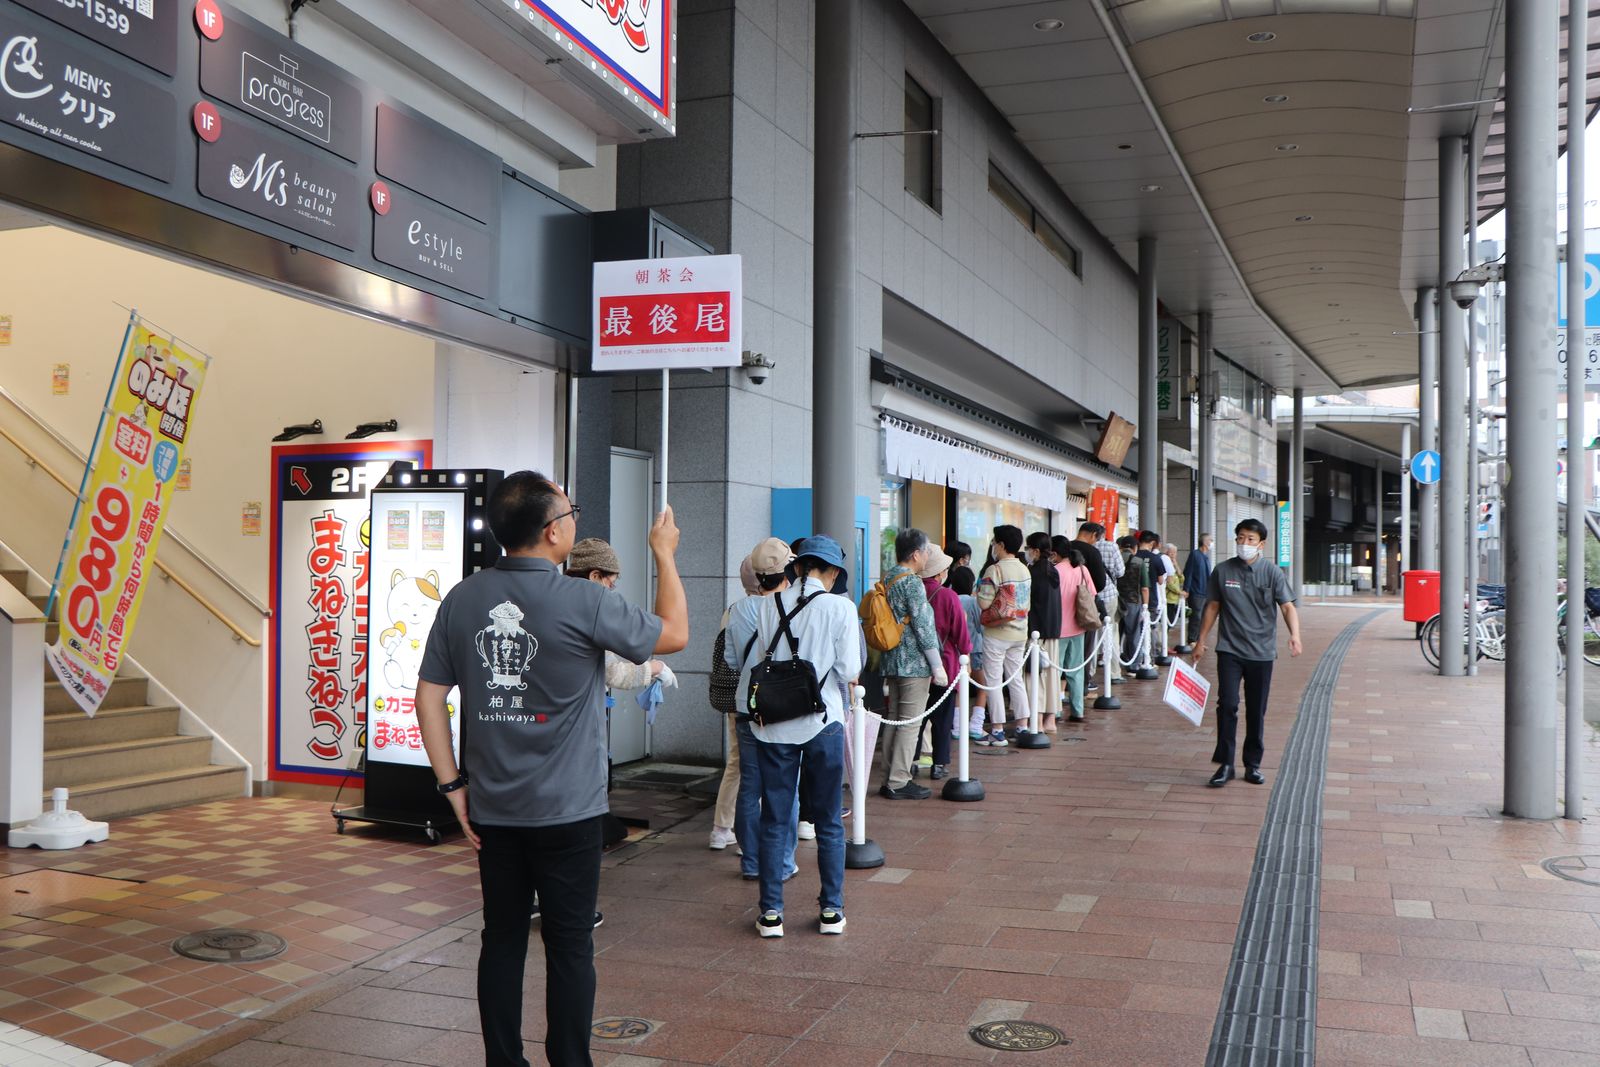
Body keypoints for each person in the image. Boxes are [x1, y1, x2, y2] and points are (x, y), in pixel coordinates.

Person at [415, 471, 688, 1067]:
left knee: (502, 941)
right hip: (572, 812)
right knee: (569, 947)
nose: (575, 519)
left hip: (493, 811)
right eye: (571, 510)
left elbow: (428, 697)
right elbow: (675, 634)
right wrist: (663, 555)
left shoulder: (463, 598)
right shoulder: (586, 599)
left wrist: (453, 788)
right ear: (551, 530)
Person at [726, 535, 860, 939]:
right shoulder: (841, 607)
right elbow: (849, 667)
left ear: (797, 567)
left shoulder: (768, 606)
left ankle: (770, 914)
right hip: (823, 723)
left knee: (775, 818)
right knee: (829, 822)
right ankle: (831, 912)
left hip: (773, 726)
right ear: (833, 572)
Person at [1192, 518, 1303, 788]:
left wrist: (1295, 636)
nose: (1245, 543)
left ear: (1261, 544)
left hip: (1262, 653)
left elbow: (1287, 607)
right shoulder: (1222, 570)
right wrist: (1200, 640)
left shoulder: (1272, 572)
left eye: (1251, 539)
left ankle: (1252, 764)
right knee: (1227, 705)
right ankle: (1226, 764)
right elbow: (1212, 607)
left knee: (1256, 710)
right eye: (1240, 538)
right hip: (1229, 649)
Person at [725, 539, 802, 881]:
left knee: (750, 786)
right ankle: (783, 862)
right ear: (787, 571)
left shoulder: (738, 609)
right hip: (783, 707)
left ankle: (752, 862)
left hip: (746, 703)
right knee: (786, 785)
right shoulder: (795, 605)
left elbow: (732, 661)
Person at [874, 528, 946, 800]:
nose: (928, 555)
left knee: (894, 720)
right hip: (913, 664)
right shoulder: (913, 583)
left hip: (891, 659)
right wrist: (936, 665)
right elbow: (923, 626)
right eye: (927, 551)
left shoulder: (889, 576)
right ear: (916, 554)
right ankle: (899, 780)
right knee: (910, 723)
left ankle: (888, 777)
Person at [709, 557, 763, 851]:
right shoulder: (772, 608)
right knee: (762, 765)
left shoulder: (732, 611)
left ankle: (721, 829)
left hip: (736, 696)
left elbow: (728, 657)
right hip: (766, 699)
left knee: (737, 761)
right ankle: (747, 835)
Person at [975, 525, 1032, 745]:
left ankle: (997, 730)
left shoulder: (995, 570)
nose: (993, 546)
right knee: (1015, 679)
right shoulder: (1024, 569)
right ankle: (1022, 725)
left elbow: (983, 602)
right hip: (1020, 633)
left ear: (1001, 545)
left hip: (997, 633)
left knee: (994, 681)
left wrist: (980, 588)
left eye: (994, 542)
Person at [919, 544, 970, 779]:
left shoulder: (913, 591)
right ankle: (939, 763)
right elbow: (961, 634)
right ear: (939, 572)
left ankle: (911, 758)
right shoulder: (948, 596)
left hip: (915, 667)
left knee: (916, 718)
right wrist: (966, 652)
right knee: (942, 717)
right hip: (945, 665)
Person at [1025, 531, 1062, 732]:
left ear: (1036, 550)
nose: (1027, 552)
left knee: (1035, 678)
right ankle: (1050, 720)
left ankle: (1037, 723)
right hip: (1053, 631)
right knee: (1050, 677)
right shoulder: (1053, 570)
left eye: (1028, 548)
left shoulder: (1034, 572)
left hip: (1036, 634)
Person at [1052, 535, 1092, 722]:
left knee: (1055, 671)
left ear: (1054, 553)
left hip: (1058, 629)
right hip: (1079, 626)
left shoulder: (1055, 571)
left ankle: (1055, 711)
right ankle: (1078, 710)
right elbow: (1092, 593)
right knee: (1076, 671)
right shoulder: (1082, 569)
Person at [950, 566, 989, 739]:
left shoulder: (950, 598)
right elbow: (981, 627)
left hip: (957, 652)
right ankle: (976, 724)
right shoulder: (973, 602)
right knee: (983, 687)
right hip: (975, 650)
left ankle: (958, 727)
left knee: (959, 688)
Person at [1087, 522, 1125, 681]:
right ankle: (1114, 673)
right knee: (1111, 633)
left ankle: (1090, 673)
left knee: (1092, 635)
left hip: (1090, 596)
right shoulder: (1112, 547)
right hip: (1109, 594)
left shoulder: (1088, 549)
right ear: (1103, 533)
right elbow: (1120, 571)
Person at [1116, 535, 1153, 672]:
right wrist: (1145, 606)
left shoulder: (1116, 559)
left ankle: (1113, 666)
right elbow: (1144, 587)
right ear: (1135, 548)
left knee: (1114, 634)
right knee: (1133, 634)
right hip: (1133, 601)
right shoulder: (1139, 561)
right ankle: (1133, 664)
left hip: (1116, 601)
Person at [1185, 533, 1214, 631]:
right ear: (1205, 542)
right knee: (1196, 617)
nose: (1212, 542)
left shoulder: (1206, 557)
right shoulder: (1195, 554)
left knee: (1202, 617)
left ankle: (1198, 640)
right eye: (1210, 540)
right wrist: (1186, 589)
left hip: (1205, 592)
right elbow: (1188, 572)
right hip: (1196, 591)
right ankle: (1192, 639)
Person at [1163, 543, 1187, 635]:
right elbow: (1169, 583)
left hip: (1175, 599)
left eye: (1175, 552)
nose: (1173, 555)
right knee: (1168, 622)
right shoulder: (1165, 563)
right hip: (1169, 598)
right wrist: (1179, 592)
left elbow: (1181, 579)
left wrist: (1176, 565)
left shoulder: (1173, 564)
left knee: (1171, 621)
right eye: (1171, 552)